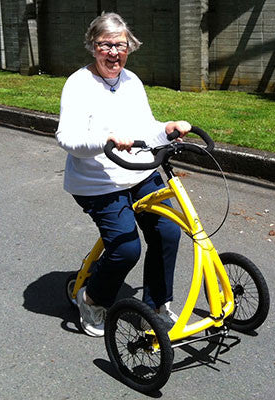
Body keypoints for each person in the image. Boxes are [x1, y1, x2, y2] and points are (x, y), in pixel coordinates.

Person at [56, 12, 191, 337]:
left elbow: (146, 128)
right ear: (93, 46)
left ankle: (156, 308)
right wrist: (105, 142)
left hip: (139, 172)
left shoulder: (131, 81)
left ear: (129, 47)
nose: (114, 52)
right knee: (126, 248)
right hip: (98, 182)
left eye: (120, 45)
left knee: (167, 232)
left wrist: (167, 129)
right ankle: (90, 298)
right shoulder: (78, 84)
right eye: (106, 45)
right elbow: (67, 138)